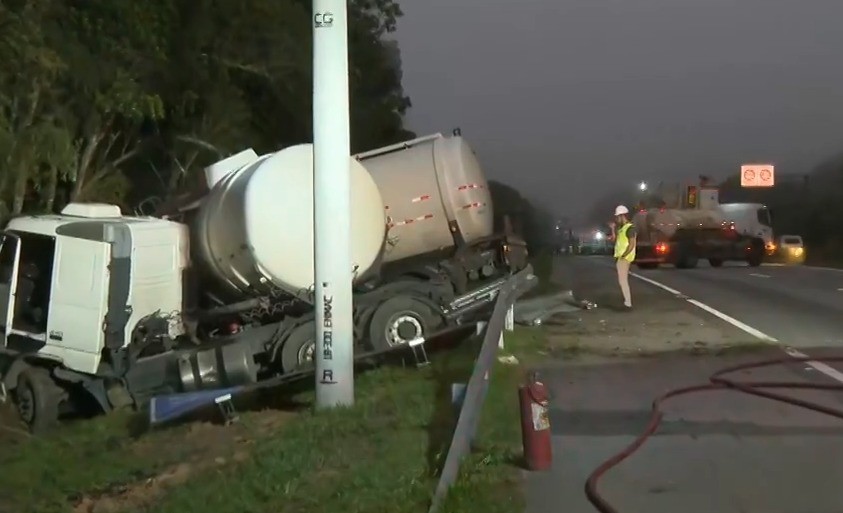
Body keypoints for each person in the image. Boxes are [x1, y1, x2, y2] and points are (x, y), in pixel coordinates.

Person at [612, 205, 636, 309]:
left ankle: (628, 302)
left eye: (618, 217)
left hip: (624, 258)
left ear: (622, 216)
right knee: (622, 281)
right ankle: (627, 301)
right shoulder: (622, 228)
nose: (617, 219)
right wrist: (612, 228)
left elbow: (632, 244)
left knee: (623, 281)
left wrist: (624, 256)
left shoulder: (630, 228)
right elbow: (614, 240)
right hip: (621, 257)